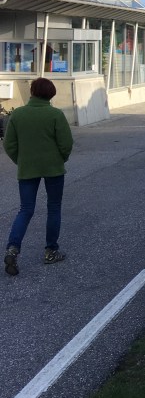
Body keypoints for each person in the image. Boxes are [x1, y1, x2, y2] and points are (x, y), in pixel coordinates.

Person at [3, 77, 73, 276]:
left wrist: (21, 160)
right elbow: (66, 144)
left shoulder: (18, 114)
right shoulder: (56, 115)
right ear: (50, 94)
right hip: (53, 169)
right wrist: (60, 159)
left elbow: (9, 144)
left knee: (25, 209)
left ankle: (12, 249)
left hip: (27, 169)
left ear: (32, 92)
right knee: (54, 208)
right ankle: (51, 251)